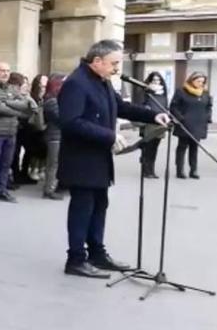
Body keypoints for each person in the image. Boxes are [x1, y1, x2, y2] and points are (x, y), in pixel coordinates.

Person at [58, 39, 169, 279]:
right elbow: (70, 122)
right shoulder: (76, 83)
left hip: (99, 157)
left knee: (99, 206)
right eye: (114, 63)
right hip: (81, 159)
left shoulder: (103, 81)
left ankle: (97, 253)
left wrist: (155, 115)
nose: (117, 68)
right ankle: (76, 259)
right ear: (97, 61)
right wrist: (109, 135)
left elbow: (122, 108)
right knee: (82, 208)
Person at [0, 63, 35, 204]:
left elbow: (24, 103)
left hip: (11, 130)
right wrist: (17, 111)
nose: (5, 73)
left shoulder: (11, 88)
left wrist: (7, 102)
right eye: (2, 71)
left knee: (6, 163)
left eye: (7, 71)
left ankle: (2, 190)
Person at [170, 72, 213, 179]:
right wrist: (181, 118)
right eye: (198, 81)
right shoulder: (181, 91)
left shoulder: (205, 93)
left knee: (194, 148)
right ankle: (180, 170)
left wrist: (207, 117)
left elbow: (209, 107)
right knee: (182, 147)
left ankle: (193, 170)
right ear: (191, 80)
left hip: (198, 124)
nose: (200, 84)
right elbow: (173, 106)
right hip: (185, 124)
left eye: (202, 82)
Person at [139, 71, 168, 179]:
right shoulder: (146, 92)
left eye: (158, 80)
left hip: (160, 123)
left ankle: (151, 169)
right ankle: (146, 170)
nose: (157, 82)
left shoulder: (163, 93)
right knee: (148, 147)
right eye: (154, 80)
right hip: (149, 122)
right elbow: (140, 106)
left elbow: (166, 107)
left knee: (155, 148)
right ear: (150, 81)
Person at [41, 73, 65, 200]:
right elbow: (60, 118)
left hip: (57, 135)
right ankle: (49, 190)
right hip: (54, 136)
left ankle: (54, 186)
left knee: (56, 163)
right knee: (53, 164)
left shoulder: (56, 99)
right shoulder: (51, 100)